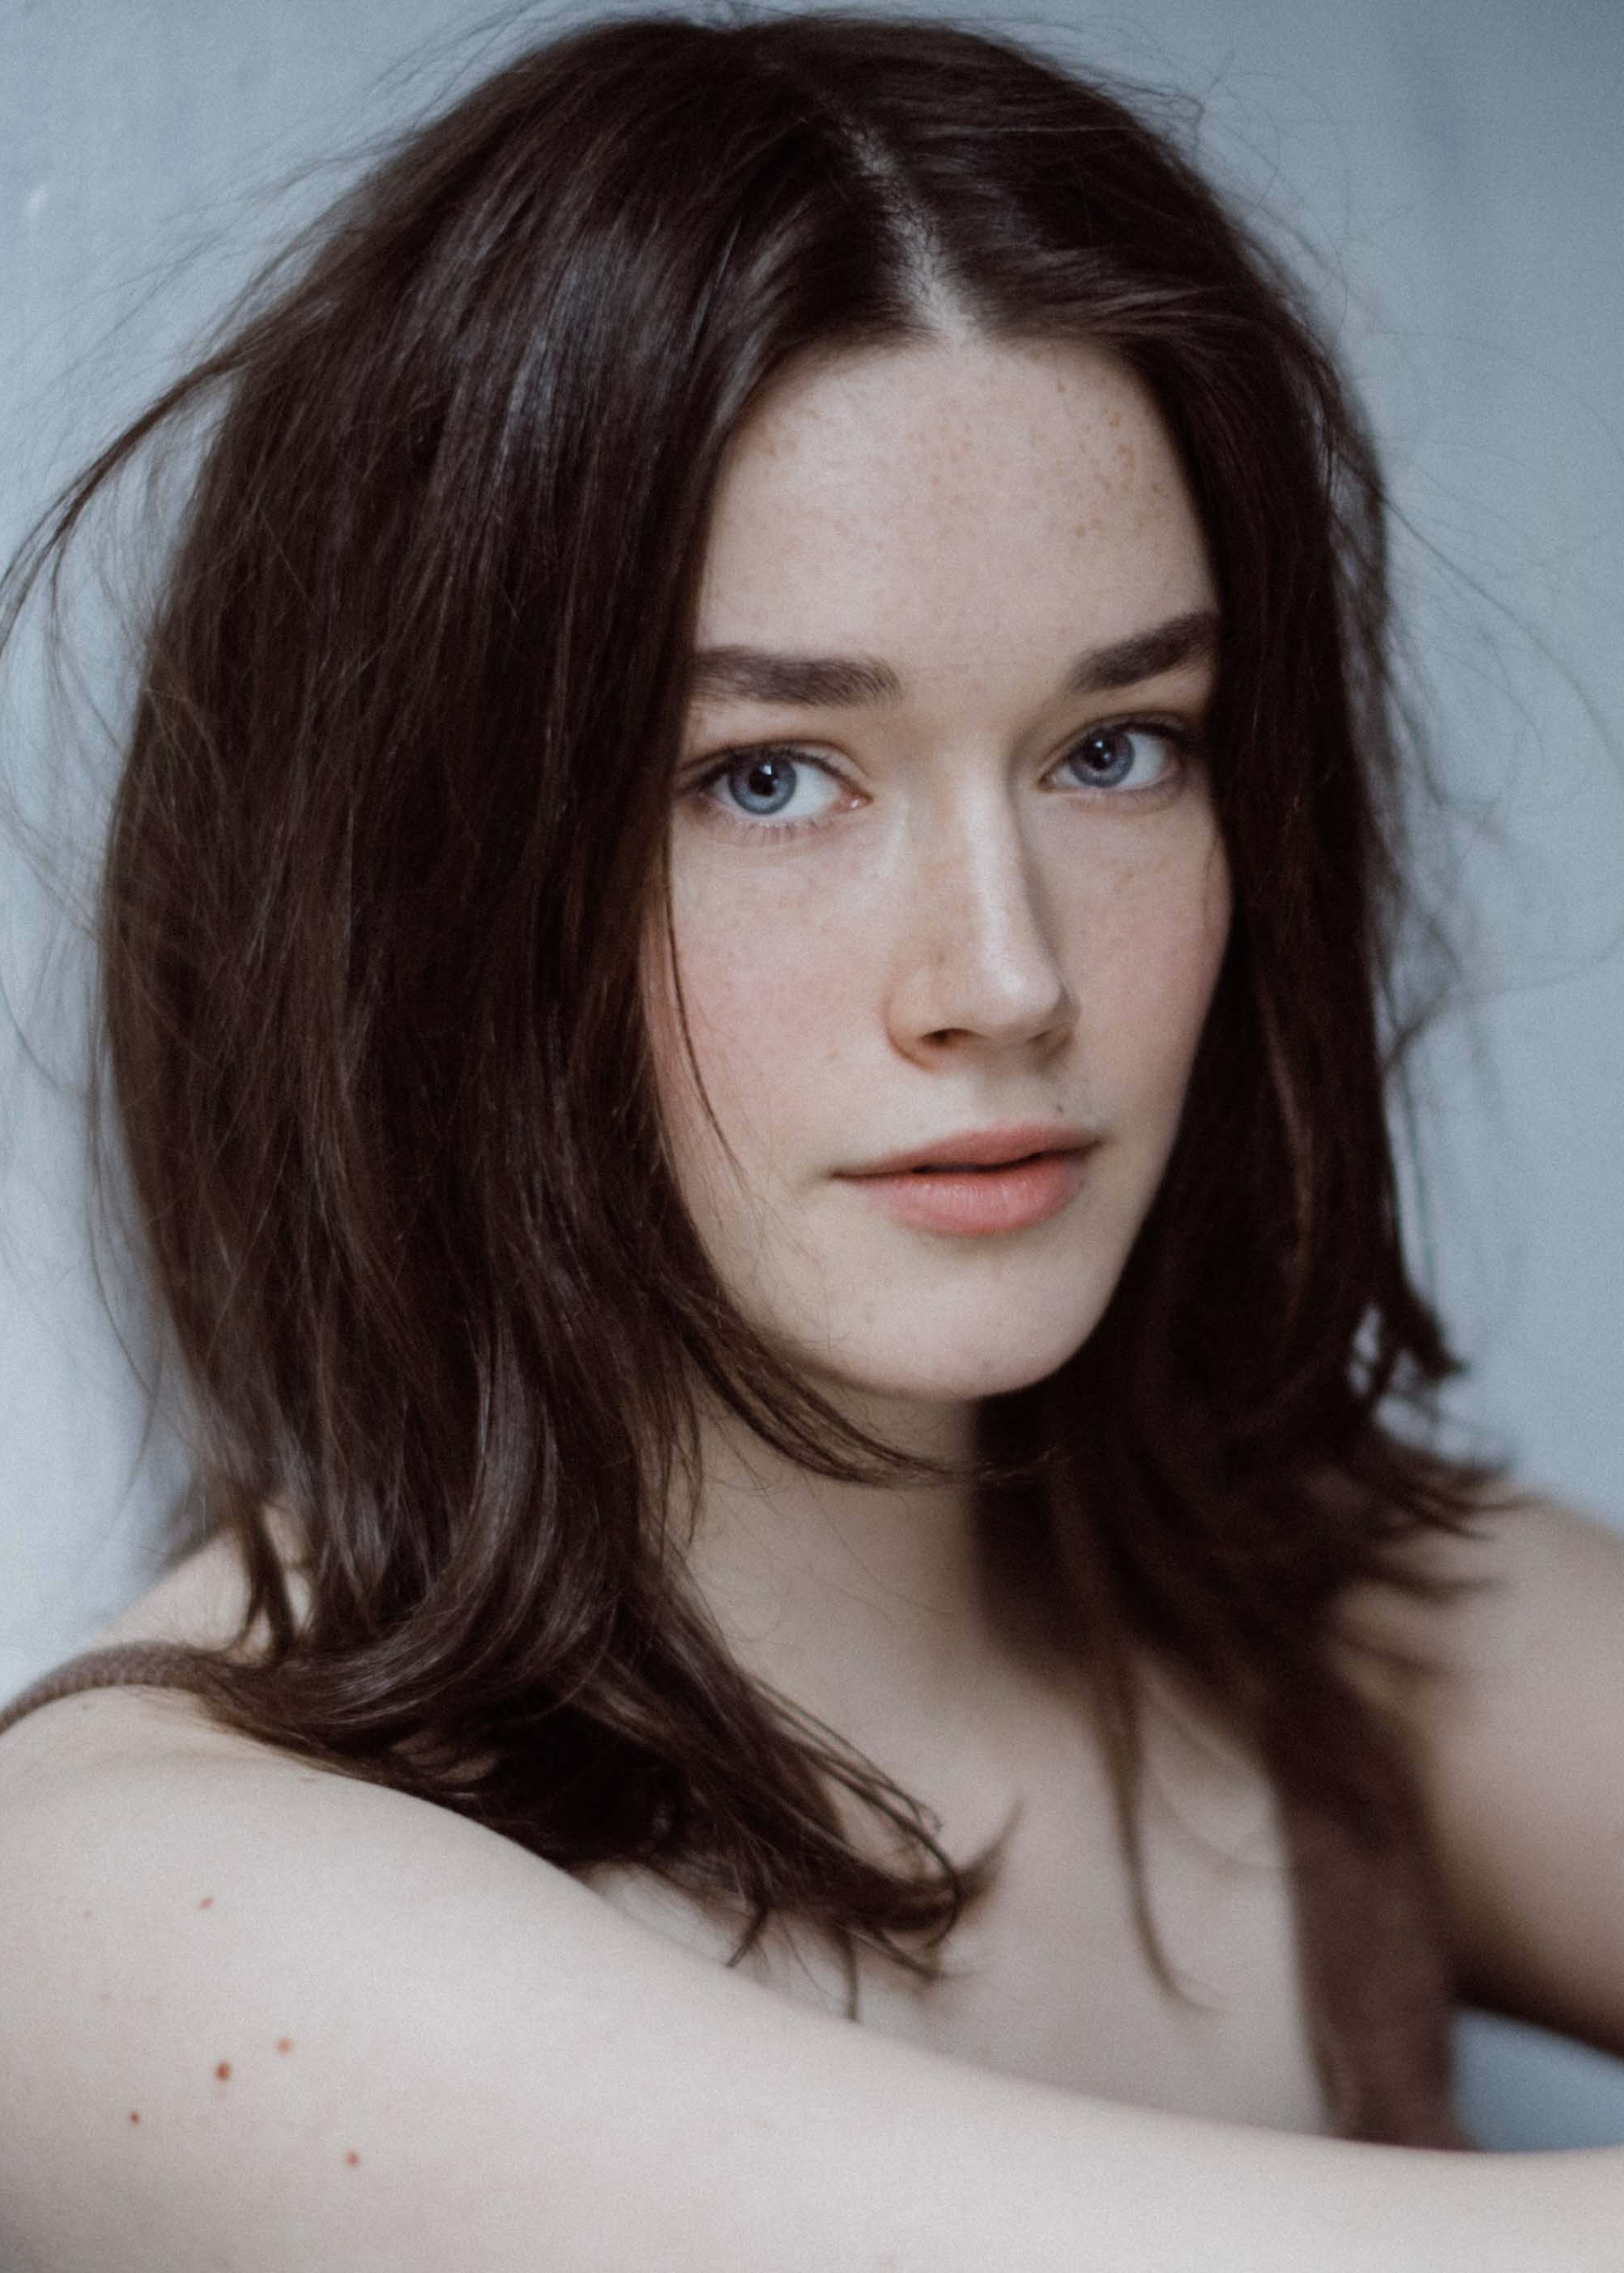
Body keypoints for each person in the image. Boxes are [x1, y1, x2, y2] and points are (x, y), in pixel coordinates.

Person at [0, 10, 1619, 2265]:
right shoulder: (121, 1927)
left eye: (1119, 749)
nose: (1006, 977)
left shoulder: (1335, 1612)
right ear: (422, 890)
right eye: (768, 779)